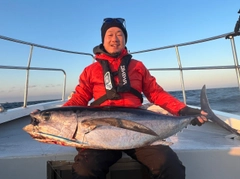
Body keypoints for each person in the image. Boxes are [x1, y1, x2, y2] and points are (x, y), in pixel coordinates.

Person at [63, 18, 208, 179]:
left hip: (139, 131)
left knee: (169, 165)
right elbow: (79, 98)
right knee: (85, 169)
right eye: (109, 34)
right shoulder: (90, 71)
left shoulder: (138, 66)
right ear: (103, 40)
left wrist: (183, 110)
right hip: (101, 135)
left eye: (119, 34)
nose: (114, 39)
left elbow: (156, 93)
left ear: (125, 40)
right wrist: (53, 116)